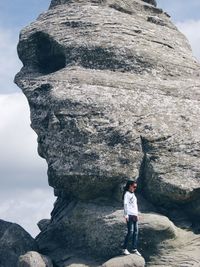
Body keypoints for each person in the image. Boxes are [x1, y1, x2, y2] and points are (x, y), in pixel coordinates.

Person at [122, 180, 141, 256]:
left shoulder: (133, 194)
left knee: (136, 232)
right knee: (131, 232)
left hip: (134, 215)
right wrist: (126, 215)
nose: (135, 188)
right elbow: (125, 205)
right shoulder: (127, 194)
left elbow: (135, 205)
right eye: (134, 186)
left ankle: (134, 249)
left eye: (136, 187)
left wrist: (137, 214)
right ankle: (124, 248)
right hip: (129, 215)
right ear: (130, 186)